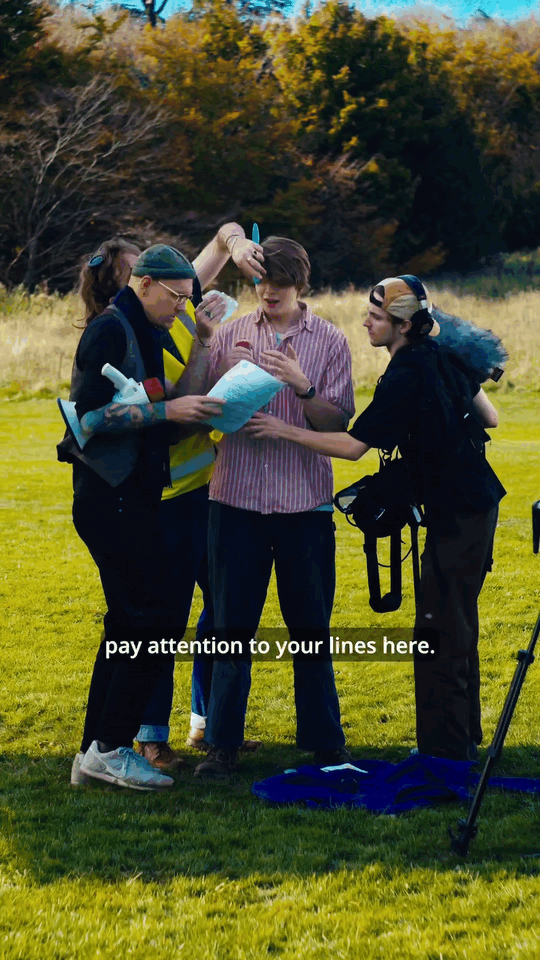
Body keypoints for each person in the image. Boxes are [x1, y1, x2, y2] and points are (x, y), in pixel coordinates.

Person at [246, 275, 506, 762]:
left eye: (377, 316)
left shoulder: (409, 371)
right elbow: (488, 417)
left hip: (459, 510)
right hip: (475, 503)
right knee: (455, 620)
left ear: (403, 325)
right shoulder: (440, 354)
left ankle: (444, 752)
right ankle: (462, 738)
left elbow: (350, 447)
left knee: (438, 629)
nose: (365, 321)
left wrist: (283, 429)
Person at [69, 228, 265, 784]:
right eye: (176, 297)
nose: (182, 306)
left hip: (136, 498)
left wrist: (200, 343)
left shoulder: (148, 325)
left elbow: (167, 399)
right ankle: (112, 749)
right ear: (143, 282)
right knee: (147, 623)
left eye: (188, 298)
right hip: (114, 501)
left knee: (128, 625)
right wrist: (166, 413)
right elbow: (87, 419)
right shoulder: (112, 329)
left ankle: (94, 751)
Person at [193, 236, 356, 779]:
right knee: (230, 627)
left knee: (310, 626)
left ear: (300, 285)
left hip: (304, 508)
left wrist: (302, 387)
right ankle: (222, 745)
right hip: (234, 500)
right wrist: (222, 398)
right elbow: (203, 406)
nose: (268, 294)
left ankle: (324, 742)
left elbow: (339, 426)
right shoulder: (234, 333)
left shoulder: (329, 340)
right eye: (261, 284)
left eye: (279, 286)